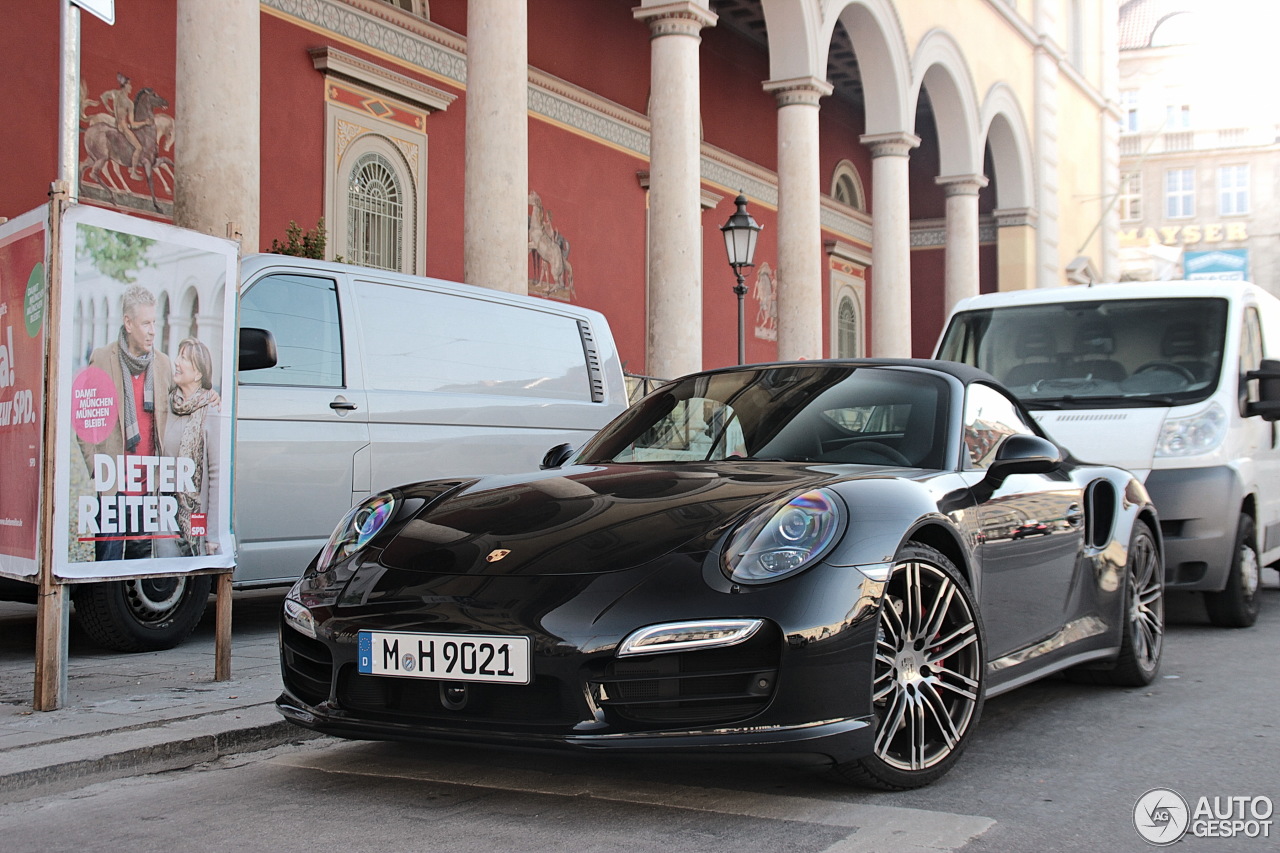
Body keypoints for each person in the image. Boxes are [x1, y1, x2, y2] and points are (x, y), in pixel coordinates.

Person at [79, 284, 173, 561]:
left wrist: (211, 395)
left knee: (139, 566)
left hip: (148, 485)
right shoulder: (102, 358)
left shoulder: (163, 364)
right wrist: (95, 466)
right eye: (146, 323)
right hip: (114, 484)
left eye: (155, 322)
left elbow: (183, 405)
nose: (153, 330)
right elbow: (85, 417)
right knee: (106, 563)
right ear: (128, 323)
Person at [157, 338, 221, 557]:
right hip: (164, 513)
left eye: (183, 357)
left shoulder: (211, 410)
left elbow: (216, 476)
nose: (176, 362)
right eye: (178, 355)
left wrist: (212, 535)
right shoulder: (166, 404)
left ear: (198, 373)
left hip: (195, 519)